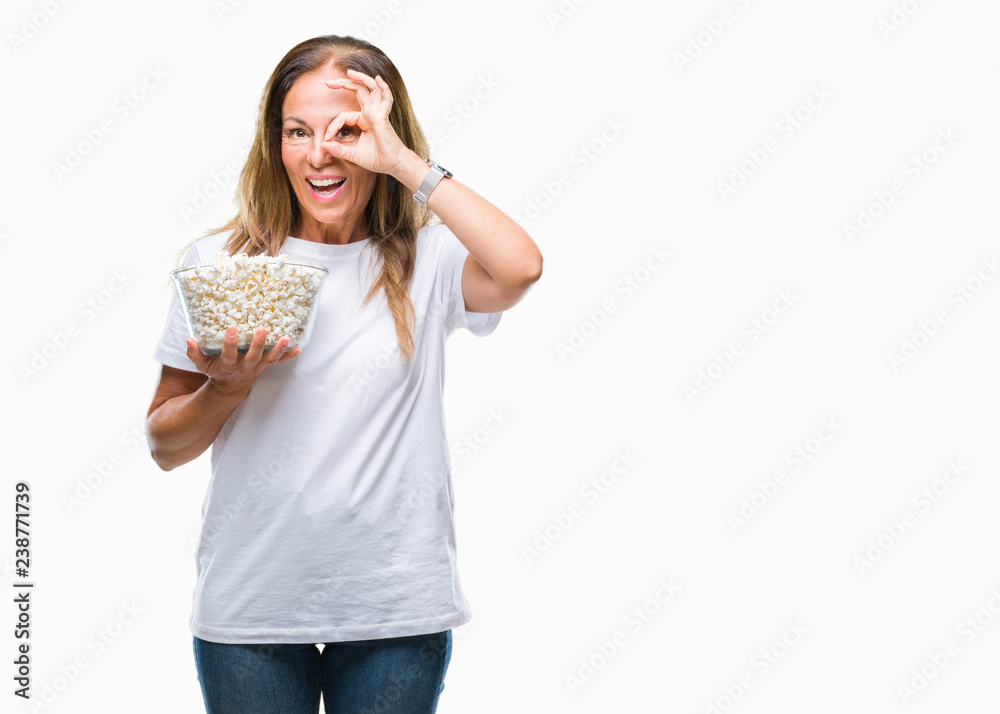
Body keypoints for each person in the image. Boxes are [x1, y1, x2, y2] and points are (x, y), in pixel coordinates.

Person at [145, 34, 543, 714]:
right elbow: (165, 446)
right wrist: (228, 388)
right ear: (275, 144)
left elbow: (520, 267)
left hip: (394, 605)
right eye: (297, 131)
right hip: (252, 603)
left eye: (348, 131)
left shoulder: (429, 260)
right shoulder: (223, 264)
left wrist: (405, 165)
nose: (321, 154)